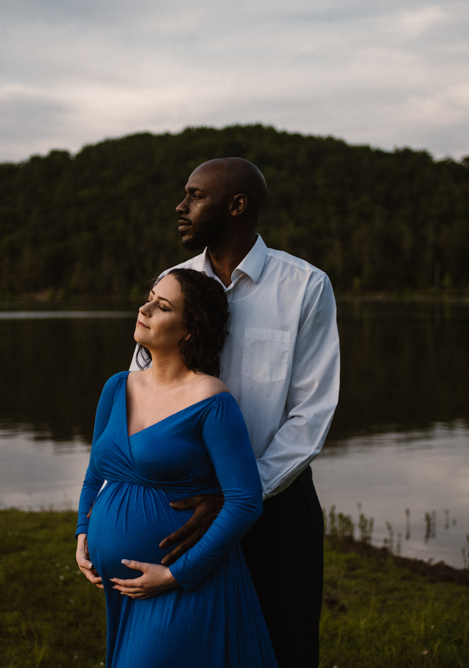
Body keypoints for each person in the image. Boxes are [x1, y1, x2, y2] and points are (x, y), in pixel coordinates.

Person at [133, 158, 340, 668]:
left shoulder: (305, 287)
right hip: (180, 510)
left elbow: (311, 415)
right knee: (191, 649)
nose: (180, 207)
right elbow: (140, 390)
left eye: (195, 196)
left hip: (277, 509)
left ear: (237, 205)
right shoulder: (172, 282)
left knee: (285, 648)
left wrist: (237, 496)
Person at [75, 268, 279, 668]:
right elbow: (95, 472)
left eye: (162, 306)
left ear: (189, 330)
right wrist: (83, 530)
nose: (144, 308)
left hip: (183, 586)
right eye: (149, 297)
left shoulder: (210, 400)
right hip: (122, 590)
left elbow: (245, 501)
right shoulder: (117, 386)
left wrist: (178, 575)